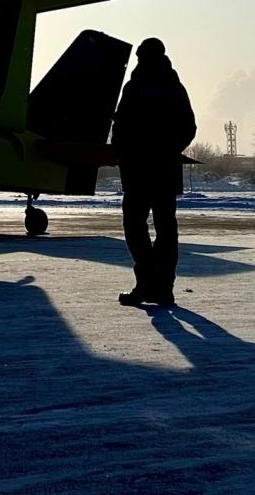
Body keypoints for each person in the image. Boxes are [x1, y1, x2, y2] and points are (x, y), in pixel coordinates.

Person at [110, 37, 196, 307]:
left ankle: (148, 281)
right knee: (166, 230)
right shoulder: (175, 88)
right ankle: (162, 287)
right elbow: (189, 128)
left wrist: (125, 152)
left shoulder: (134, 88)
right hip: (164, 172)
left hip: (139, 171)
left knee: (135, 228)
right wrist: (169, 150)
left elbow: (120, 127)